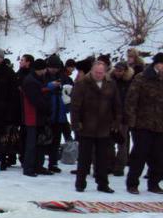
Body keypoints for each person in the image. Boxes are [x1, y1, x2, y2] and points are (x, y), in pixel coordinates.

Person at [70, 60, 121, 193]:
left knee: (103, 158)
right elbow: (75, 106)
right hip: (86, 126)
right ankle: (80, 183)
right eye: (97, 72)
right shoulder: (82, 84)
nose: (99, 75)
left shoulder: (111, 84)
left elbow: (116, 104)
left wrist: (116, 121)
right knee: (84, 157)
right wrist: (76, 123)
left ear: (105, 72)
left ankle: (102, 183)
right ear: (92, 71)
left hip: (104, 126)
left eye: (101, 72)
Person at [124, 52, 163, 195]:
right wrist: (132, 121)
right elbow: (131, 100)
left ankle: (154, 183)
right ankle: (132, 184)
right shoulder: (142, 78)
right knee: (139, 156)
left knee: (158, 157)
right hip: (142, 124)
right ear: (157, 64)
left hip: (160, 125)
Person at [21, 59, 51, 177]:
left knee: (40, 143)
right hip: (32, 116)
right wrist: (47, 107)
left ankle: (38, 165)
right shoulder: (30, 81)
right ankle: (28, 167)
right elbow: (36, 99)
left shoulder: (36, 79)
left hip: (38, 116)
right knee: (31, 143)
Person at [108, 61, 134, 176]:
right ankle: (110, 164)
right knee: (109, 142)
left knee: (122, 143)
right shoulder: (110, 80)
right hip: (110, 116)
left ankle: (119, 167)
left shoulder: (130, 82)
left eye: (120, 70)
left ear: (125, 71)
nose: (118, 72)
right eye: (117, 70)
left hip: (123, 117)